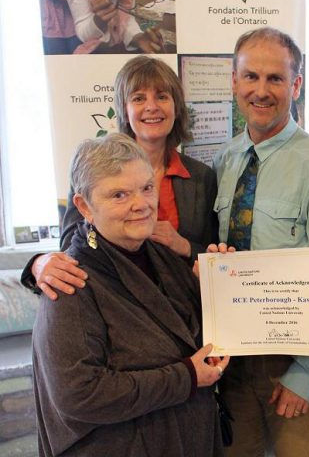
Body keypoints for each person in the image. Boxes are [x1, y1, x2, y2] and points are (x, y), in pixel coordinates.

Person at [32, 133, 229, 456]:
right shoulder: (70, 283)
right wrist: (186, 377)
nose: (141, 204)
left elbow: (195, 337)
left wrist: (220, 288)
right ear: (84, 206)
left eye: (146, 188)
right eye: (119, 195)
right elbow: (79, 394)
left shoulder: (161, 255)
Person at [211, 27, 309, 456]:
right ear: (234, 81)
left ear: (296, 85)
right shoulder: (224, 161)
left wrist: (308, 374)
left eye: (275, 79)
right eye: (250, 76)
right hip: (231, 368)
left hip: (292, 369)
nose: (261, 90)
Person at [23, 55, 218, 300]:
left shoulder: (202, 177)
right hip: (116, 307)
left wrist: (184, 245)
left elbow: (213, 254)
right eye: (138, 98)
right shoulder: (92, 170)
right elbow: (71, 248)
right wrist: (38, 264)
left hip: (188, 309)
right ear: (124, 110)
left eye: (162, 96)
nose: (152, 106)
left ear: (176, 107)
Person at [66, 0, 163, 54]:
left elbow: (127, 19)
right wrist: (99, 21)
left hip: (123, 55)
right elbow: (83, 33)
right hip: (94, 56)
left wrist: (137, 38)